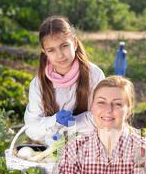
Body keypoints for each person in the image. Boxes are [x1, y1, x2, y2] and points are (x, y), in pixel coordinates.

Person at [24, 15, 105, 143]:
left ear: (75, 43)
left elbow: (102, 115)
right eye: (51, 50)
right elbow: (31, 128)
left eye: (64, 46)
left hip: (89, 144)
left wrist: (68, 128)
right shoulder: (38, 84)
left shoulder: (94, 74)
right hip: (53, 149)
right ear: (44, 52)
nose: (60, 55)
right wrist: (54, 120)